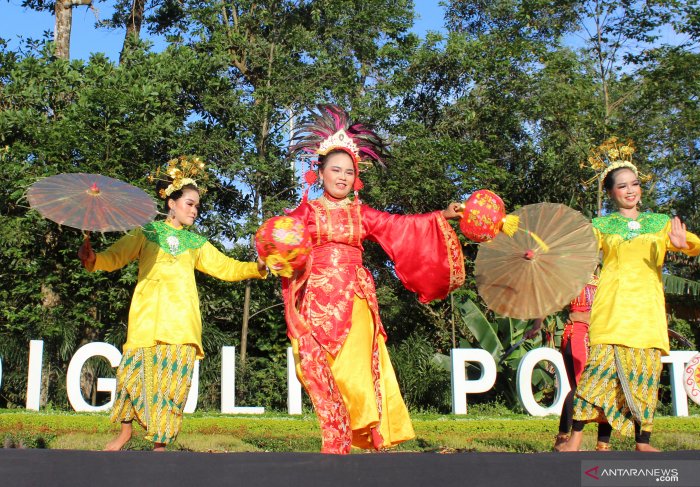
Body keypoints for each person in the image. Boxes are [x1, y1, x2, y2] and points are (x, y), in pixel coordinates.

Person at [282, 105, 465, 454]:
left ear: (356, 178)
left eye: (348, 172)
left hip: (354, 302)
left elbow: (401, 227)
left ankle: (348, 442)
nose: (342, 177)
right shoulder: (304, 214)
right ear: (318, 172)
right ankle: (335, 441)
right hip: (316, 303)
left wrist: (442, 215)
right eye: (335, 170)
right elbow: (280, 240)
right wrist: (273, 249)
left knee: (354, 375)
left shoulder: (361, 213)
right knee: (321, 375)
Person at [78, 157, 268, 451]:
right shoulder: (147, 232)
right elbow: (114, 257)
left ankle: (160, 448)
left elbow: (227, 268)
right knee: (130, 378)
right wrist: (93, 259)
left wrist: (256, 267)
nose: (194, 210)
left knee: (171, 389)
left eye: (197, 206)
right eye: (190, 204)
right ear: (171, 203)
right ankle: (125, 434)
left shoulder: (196, 243)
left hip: (181, 325)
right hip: (146, 321)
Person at [558, 156, 700, 452]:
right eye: (622, 186)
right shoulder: (601, 225)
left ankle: (643, 441)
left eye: (634, 184)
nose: (630, 191)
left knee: (645, 378)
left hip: (647, 315)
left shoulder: (660, 224)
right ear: (611, 193)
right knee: (597, 376)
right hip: (611, 312)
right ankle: (574, 438)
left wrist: (681, 244)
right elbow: (576, 251)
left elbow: (695, 244)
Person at [525, 276, 613, 451]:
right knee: (582, 388)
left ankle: (603, 444)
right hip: (578, 334)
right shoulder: (569, 278)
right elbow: (547, 302)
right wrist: (536, 326)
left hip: (601, 336)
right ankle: (563, 438)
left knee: (606, 386)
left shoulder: (604, 278)